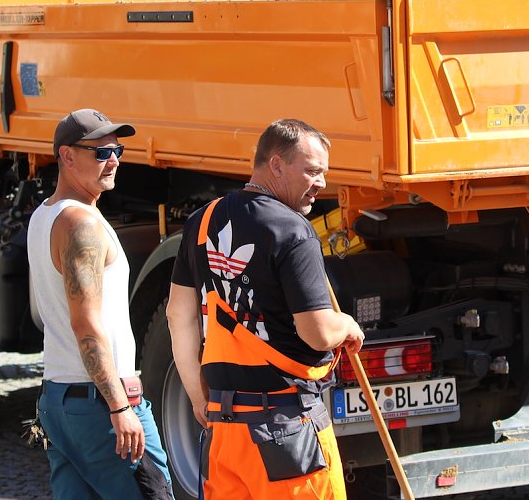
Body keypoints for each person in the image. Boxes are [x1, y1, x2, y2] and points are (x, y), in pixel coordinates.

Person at [166, 118, 365, 500]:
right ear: (275, 164)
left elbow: (179, 315)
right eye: (312, 171)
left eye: (323, 173)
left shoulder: (201, 221)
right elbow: (318, 332)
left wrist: (196, 396)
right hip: (286, 430)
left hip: (225, 432)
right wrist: (348, 325)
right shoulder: (292, 231)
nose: (321, 183)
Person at [27, 108, 173, 499]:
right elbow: (86, 324)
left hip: (59, 399)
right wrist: (120, 407)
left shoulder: (44, 216)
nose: (113, 161)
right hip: (98, 405)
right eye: (101, 152)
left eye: (117, 151)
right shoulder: (82, 225)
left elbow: (42, 312)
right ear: (66, 156)